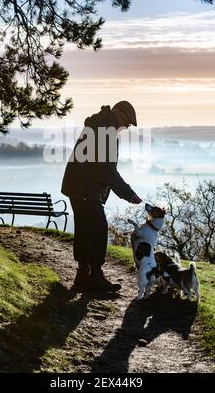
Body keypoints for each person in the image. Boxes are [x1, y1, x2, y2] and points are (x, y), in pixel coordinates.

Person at [61, 101, 142, 292]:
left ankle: (82, 273)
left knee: (83, 228)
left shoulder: (98, 124)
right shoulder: (106, 132)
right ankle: (95, 276)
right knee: (98, 229)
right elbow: (107, 170)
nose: (125, 128)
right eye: (127, 123)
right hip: (85, 187)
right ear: (119, 115)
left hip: (76, 185)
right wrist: (128, 193)